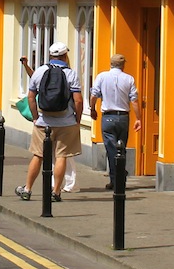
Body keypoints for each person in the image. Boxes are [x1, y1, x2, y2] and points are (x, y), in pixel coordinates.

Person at [16, 42, 83, 203]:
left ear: (50, 55)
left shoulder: (40, 71)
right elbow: (78, 100)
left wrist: (35, 117)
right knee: (61, 156)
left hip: (43, 122)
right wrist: (77, 119)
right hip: (66, 122)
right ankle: (56, 192)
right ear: (65, 56)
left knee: (38, 156)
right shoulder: (70, 74)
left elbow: (31, 97)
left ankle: (27, 189)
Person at [89, 53, 140, 191]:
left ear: (111, 64)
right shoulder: (129, 79)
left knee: (111, 150)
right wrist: (138, 118)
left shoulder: (102, 77)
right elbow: (134, 100)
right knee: (121, 149)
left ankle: (115, 179)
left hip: (108, 117)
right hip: (123, 117)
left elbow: (93, 95)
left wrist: (92, 109)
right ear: (123, 65)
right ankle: (119, 178)